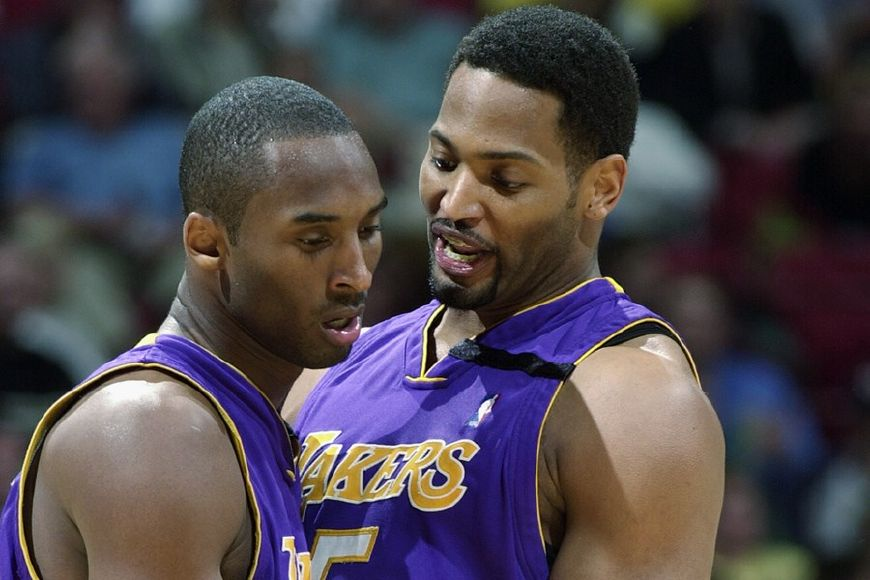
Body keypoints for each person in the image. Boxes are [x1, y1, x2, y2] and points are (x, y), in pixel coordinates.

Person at [284, 6, 725, 579]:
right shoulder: (330, 368)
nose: (454, 203)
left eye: (504, 180)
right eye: (443, 160)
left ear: (601, 189)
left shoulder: (635, 405)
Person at [1, 75, 387, 579]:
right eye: (314, 240)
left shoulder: (243, 414)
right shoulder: (155, 434)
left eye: (368, 230)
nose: (357, 273)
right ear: (207, 245)